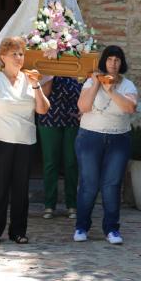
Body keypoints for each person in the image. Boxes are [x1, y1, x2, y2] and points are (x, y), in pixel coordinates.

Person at [0, 37, 49, 245]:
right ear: (3, 57)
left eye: (21, 54)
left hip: (26, 143)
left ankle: (18, 231)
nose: (18, 57)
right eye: (14, 54)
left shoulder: (30, 80)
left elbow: (43, 110)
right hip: (0, 141)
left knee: (21, 190)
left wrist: (37, 86)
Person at [74, 45, 137, 244]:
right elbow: (83, 107)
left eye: (117, 60)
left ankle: (111, 229)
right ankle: (81, 227)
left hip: (118, 140)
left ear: (122, 63)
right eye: (109, 59)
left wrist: (110, 90)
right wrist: (95, 84)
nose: (113, 63)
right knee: (88, 185)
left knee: (111, 185)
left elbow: (129, 108)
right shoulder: (89, 83)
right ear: (104, 62)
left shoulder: (128, 86)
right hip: (90, 138)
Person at [37, 76, 82, 220]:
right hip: (49, 118)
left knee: (71, 162)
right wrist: (50, 75)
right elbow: (44, 93)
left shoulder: (78, 60)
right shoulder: (46, 63)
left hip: (73, 118)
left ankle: (72, 205)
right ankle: (49, 205)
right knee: (51, 163)